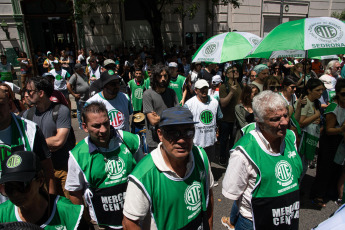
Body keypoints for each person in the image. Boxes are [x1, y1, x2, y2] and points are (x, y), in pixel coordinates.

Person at [122, 106, 214, 229]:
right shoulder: (144, 176)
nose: (181, 140)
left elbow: (208, 197)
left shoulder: (200, 156)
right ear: (160, 134)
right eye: (173, 133)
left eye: (188, 132)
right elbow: (129, 223)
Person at [222, 90, 303, 230]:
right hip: (254, 222)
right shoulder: (243, 152)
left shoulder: (291, 137)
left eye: (285, 115)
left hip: (289, 218)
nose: (284, 122)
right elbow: (233, 191)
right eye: (275, 119)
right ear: (259, 122)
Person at [65, 102, 143, 229]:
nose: (103, 130)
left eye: (106, 123)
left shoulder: (131, 141)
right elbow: (74, 191)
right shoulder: (78, 155)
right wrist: (85, 220)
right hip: (103, 223)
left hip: (135, 217)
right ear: (85, 127)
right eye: (96, 126)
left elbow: (144, 175)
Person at [0, 151, 84, 229]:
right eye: (8, 188)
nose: (15, 194)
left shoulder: (69, 213)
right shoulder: (2, 214)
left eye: (21, 186)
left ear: (40, 181)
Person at [0, 89, 55, 204]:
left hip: (27, 205)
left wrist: (51, 203)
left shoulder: (30, 130)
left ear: (9, 105)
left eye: (0, 105)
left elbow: (47, 169)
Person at [23, 77, 72, 199]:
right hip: (41, 173)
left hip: (63, 169)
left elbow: (59, 141)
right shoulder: (26, 115)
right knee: (48, 206)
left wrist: (34, 143)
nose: (26, 94)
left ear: (41, 93)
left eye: (29, 91)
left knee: (71, 206)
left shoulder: (60, 110)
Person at [311, 79, 345, 207]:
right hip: (330, 141)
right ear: (337, 93)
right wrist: (341, 129)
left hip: (340, 140)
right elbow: (328, 130)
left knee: (337, 168)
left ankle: (332, 192)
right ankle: (318, 195)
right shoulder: (333, 108)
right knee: (325, 169)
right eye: (343, 94)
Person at [142, 64, 179, 152]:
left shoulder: (172, 93)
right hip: (154, 141)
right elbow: (153, 121)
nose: (163, 79)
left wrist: (159, 116)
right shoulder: (148, 94)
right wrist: (170, 114)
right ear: (155, 77)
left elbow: (178, 115)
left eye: (165, 76)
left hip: (170, 137)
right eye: (160, 76)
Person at [184, 79, 222, 162]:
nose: (204, 91)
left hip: (210, 141)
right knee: (196, 163)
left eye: (205, 88)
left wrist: (217, 130)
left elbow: (219, 117)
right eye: (201, 89)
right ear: (196, 90)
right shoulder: (189, 104)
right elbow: (184, 123)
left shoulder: (214, 102)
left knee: (209, 163)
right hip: (195, 142)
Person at [297, 79, 324, 182]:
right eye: (318, 90)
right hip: (303, 139)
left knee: (305, 165)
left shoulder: (316, 103)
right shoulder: (305, 102)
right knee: (302, 166)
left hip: (311, 137)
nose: (321, 92)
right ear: (309, 90)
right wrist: (316, 116)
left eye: (322, 90)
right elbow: (301, 122)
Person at [219, 66, 242, 165]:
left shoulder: (241, 85)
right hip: (226, 119)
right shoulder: (224, 87)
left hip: (237, 119)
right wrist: (231, 92)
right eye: (233, 71)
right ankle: (222, 157)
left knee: (235, 140)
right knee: (224, 140)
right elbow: (223, 103)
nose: (236, 72)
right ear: (227, 75)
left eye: (236, 70)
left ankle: (233, 158)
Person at [67, 63, 90, 129]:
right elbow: (68, 85)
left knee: (86, 111)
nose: (82, 69)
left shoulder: (84, 75)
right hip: (80, 98)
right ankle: (81, 125)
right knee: (80, 111)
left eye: (82, 68)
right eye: (80, 68)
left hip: (87, 97)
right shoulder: (74, 76)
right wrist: (74, 94)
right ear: (77, 70)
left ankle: (86, 123)